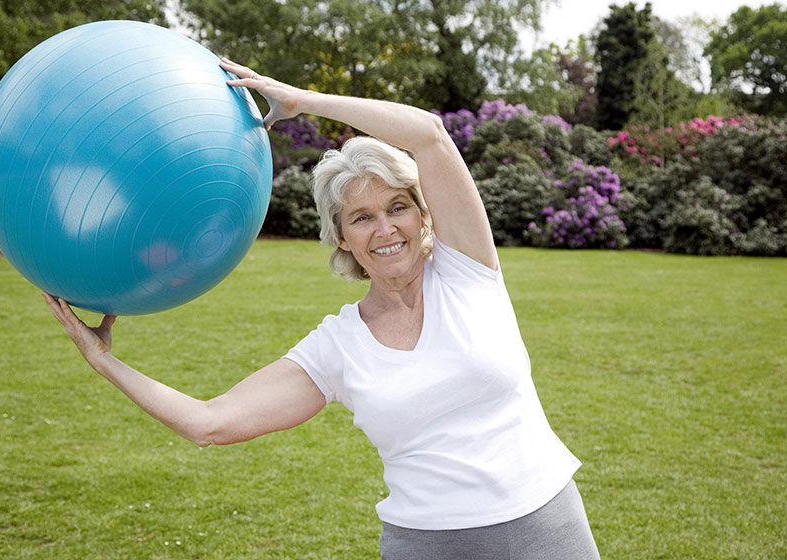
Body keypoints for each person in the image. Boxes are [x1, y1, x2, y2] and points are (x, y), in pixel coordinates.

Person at [44, 58, 601, 559]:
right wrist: (103, 361)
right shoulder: (338, 347)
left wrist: (301, 100)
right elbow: (209, 423)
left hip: (546, 526)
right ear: (341, 238)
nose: (386, 229)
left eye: (398, 207)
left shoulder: (468, 270)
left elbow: (429, 136)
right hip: (427, 544)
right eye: (361, 217)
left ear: (422, 215)